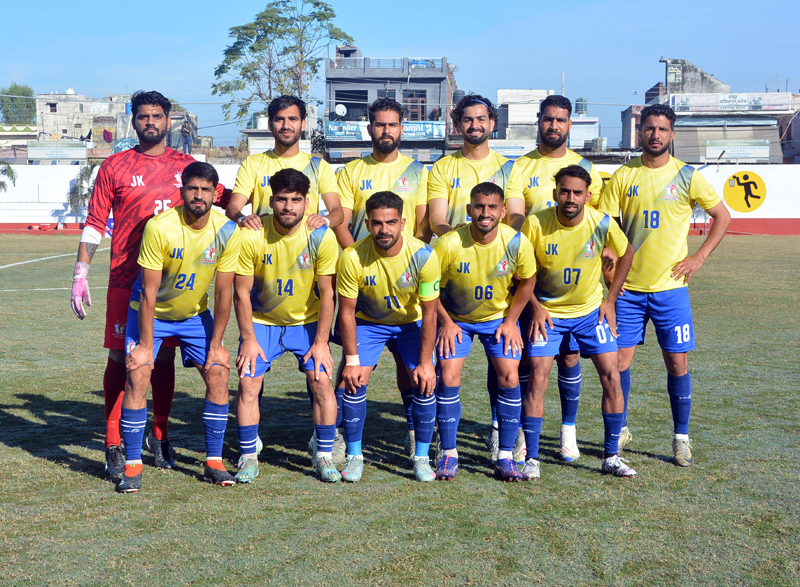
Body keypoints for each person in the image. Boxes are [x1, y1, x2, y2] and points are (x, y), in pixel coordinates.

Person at [71, 90, 228, 479]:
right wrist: (81, 272)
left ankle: (160, 435)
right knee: (122, 358)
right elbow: (95, 222)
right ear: (134, 121)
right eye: (143, 116)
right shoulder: (115, 166)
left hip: (175, 284)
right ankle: (113, 442)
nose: (151, 122)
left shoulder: (187, 166)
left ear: (168, 121)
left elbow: (224, 201)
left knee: (164, 359)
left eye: (157, 115)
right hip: (127, 278)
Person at [597, 104, 731, 466]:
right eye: (649, 128)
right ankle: (620, 428)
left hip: (671, 289)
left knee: (677, 362)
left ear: (672, 134)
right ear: (640, 132)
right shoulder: (623, 175)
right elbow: (606, 229)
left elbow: (722, 216)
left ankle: (681, 438)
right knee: (618, 362)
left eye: (662, 129)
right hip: (628, 291)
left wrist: (698, 258)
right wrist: (609, 267)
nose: (655, 134)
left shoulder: (687, 176)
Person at [117, 162, 241, 493]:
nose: (198, 195)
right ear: (182, 190)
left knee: (219, 371)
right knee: (139, 372)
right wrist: (145, 346)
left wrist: (217, 344)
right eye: (192, 188)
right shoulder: (160, 227)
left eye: (205, 189)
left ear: (216, 193)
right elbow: (148, 293)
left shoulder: (227, 230)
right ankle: (132, 465)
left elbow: (223, 292)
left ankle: (214, 461)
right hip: (151, 313)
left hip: (193, 316)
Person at [506, 95, 607, 463]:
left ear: (569, 124)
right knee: (527, 361)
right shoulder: (520, 166)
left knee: (569, 358)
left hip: (575, 282)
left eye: (561, 120)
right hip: (533, 279)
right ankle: (521, 432)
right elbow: (516, 218)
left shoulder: (585, 167)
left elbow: (595, 223)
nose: (554, 126)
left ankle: (568, 432)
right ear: (539, 121)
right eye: (548, 119)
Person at [521, 165, 634, 480]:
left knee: (612, 376)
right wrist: (535, 307)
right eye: (565, 191)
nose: (571, 198)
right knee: (538, 379)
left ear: (588, 195)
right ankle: (532, 458)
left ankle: (611, 457)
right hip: (549, 314)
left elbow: (627, 253)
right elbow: (520, 270)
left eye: (577, 192)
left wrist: (610, 300)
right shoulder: (535, 224)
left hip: (590, 313)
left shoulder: (602, 222)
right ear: (555, 192)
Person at [427, 93, 524, 461]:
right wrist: (462, 240)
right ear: (458, 125)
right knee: (448, 365)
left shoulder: (509, 168)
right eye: (467, 119)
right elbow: (437, 219)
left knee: (504, 363)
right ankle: (444, 437)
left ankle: (500, 429)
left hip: (499, 272)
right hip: (456, 272)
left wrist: (494, 238)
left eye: (481, 119)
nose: (475, 125)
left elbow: (517, 215)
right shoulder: (442, 168)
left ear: (492, 123)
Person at [333, 98, 431, 457]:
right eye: (379, 124)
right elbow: (341, 222)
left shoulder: (419, 172)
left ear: (402, 128)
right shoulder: (350, 171)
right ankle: (337, 432)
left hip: (405, 280)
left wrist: (404, 265)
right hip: (364, 281)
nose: (385, 130)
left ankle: (412, 428)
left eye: (392, 124)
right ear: (369, 128)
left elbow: (422, 227)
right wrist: (359, 260)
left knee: (409, 365)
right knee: (352, 362)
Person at [233, 168, 341, 483]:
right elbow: (241, 292)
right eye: (282, 199)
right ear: (271, 201)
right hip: (262, 322)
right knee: (248, 382)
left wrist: (321, 342)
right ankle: (248, 456)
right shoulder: (251, 234)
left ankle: (323, 454)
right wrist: (248, 339)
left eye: (296, 200)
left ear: (307, 202)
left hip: (306, 323)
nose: (288, 207)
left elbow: (328, 294)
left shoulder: (321, 235)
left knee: (321, 380)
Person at [434, 182, 536, 481]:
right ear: (469, 209)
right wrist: (446, 322)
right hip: (456, 319)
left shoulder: (516, 241)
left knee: (510, 377)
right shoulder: (449, 243)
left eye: (492, 207)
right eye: (479, 207)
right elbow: (428, 287)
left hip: (497, 319)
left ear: (503, 211)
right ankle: (448, 453)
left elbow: (528, 281)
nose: (485, 213)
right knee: (448, 376)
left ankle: (505, 457)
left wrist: (511, 321)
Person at [336, 191, 440, 482]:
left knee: (424, 382)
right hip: (369, 323)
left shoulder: (423, 255)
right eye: (378, 223)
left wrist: (426, 362)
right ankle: (354, 456)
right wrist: (352, 361)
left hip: (410, 324)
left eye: (391, 222)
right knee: (353, 381)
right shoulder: (352, 256)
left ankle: (421, 457)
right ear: (367, 224)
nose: (384, 229)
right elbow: (347, 312)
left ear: (402, 223)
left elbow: (430, 313)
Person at [226, 95, 343, 233]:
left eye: (293, 119)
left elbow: (338, 212)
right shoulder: (252, 164)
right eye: (279, 119)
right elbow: (233, 208)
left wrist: (325, 220)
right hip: (264, 244)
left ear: (303, 124)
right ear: (270, 125)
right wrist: (242, 219)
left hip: (305, 246)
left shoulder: (319, 166)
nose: (286, 126)